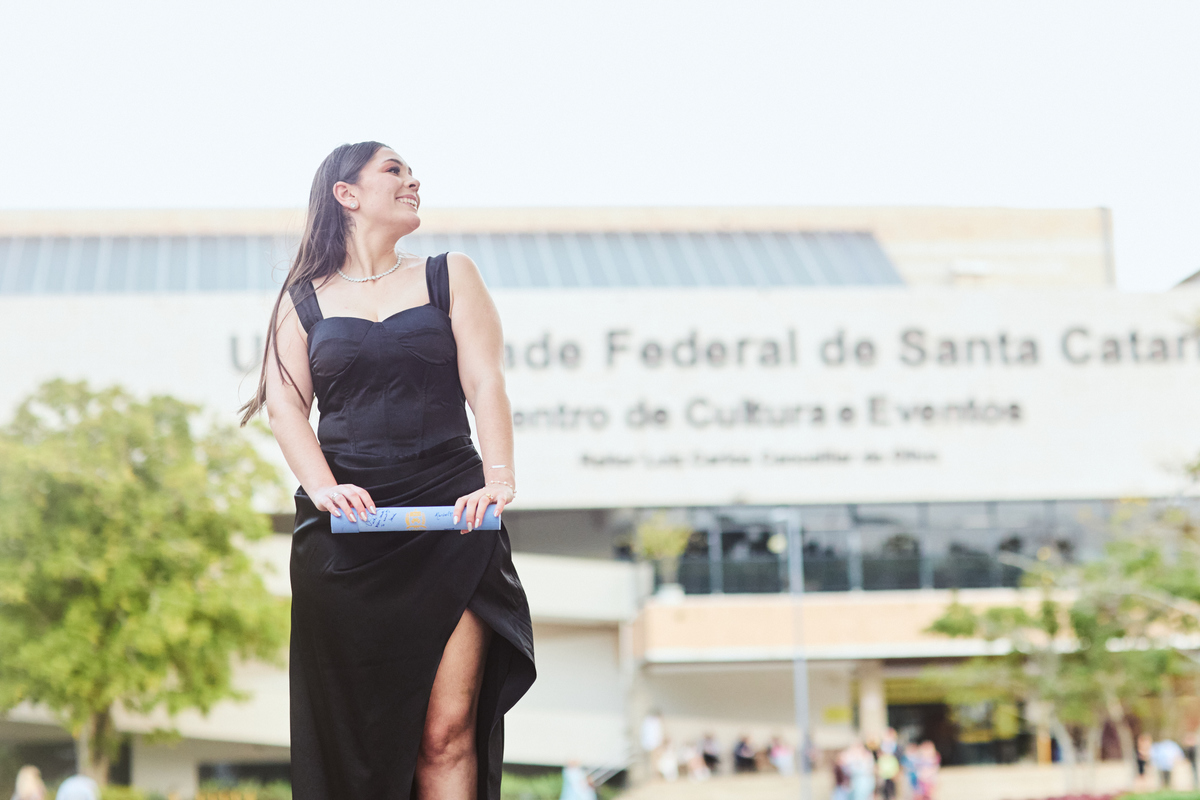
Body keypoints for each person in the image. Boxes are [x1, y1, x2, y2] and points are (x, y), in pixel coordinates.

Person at [242, 142, 535, 800]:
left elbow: (485, 381)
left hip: (453, 520)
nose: (413, 181)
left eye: (411, 172)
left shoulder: (450, 274)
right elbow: (284, 406)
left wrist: (499, 478)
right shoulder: (300, 298)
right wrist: (323, 487)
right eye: (394, 171)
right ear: (346, 194)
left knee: (447, 732)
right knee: (359, 743)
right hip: (348, 534)